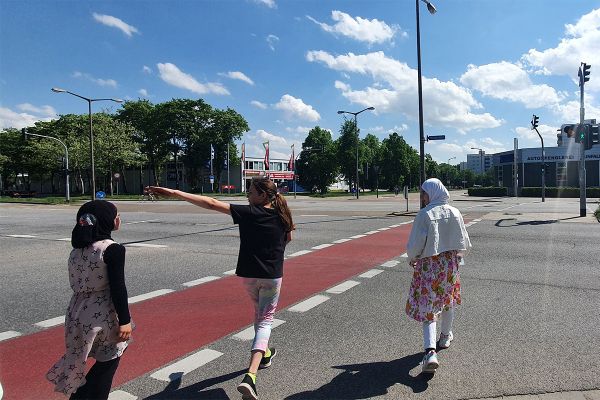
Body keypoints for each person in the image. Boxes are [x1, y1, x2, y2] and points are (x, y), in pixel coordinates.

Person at [145, 176, 295, 400]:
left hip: (248, 275)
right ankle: (250, 376)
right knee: (265, 321)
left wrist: (175, 193)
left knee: (259, 317)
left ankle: (264, 354)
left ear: (263, 195)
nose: (247, 195)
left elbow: (210, 203)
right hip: (271, 276)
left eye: (251, 192)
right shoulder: (282, 216)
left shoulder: (249, 213)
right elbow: (288, 238)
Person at [47, 200, 132, 399]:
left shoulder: (77, 251)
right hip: (102, 312)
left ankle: (82, 393)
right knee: (111, 357)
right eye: (116, 215)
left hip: (76, 312)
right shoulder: (113, 249)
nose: (118, 218)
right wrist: (125, 320)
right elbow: (118, 287)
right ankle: (86, 395)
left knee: (80, 356)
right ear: (108, 221)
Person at [405, 178, 471, 373]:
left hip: (428, 265)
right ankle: (445, 336)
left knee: (428, 306)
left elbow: (415, 244)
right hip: (449, 265)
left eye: (424, 193)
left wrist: (412, 258)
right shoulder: (455, 212)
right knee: (447, 300)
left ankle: (430, 351)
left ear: (432, 193)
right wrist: (459, 255)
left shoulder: (424, 215)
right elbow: (464, 241)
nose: (422, 197)